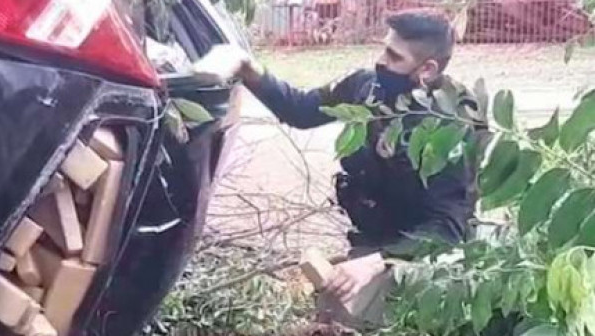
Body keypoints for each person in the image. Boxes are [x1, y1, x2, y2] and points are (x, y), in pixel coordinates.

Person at [195, 9, 480, 306]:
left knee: (356, 318)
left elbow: (447, 228)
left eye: (395, 57)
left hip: (423, 257)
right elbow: (301, 110)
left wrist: (377, 262)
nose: (381, 61)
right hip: (374, 238)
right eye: (384, 49)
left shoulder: (448, 129)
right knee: (333, 304)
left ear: (427, 70)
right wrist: (248, 69)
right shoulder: (365, 87)